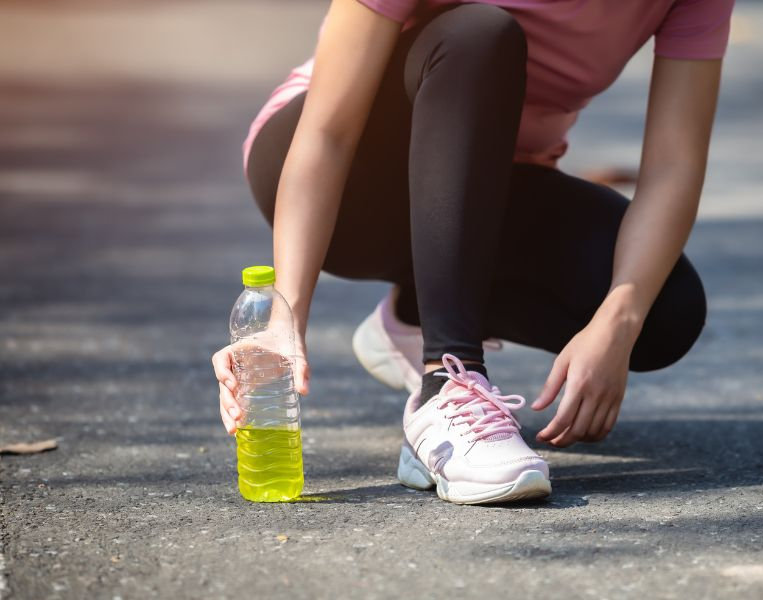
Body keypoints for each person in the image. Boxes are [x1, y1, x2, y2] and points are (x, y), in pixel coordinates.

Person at [211, 0, 734, 505]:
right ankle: (446, 383)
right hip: (347, 182)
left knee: (663, 311)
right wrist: (285, 313)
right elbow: (327, 133)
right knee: (480, 34)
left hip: (486, 190)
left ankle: (414, 314)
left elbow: (673, 165)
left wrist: (618, 320)